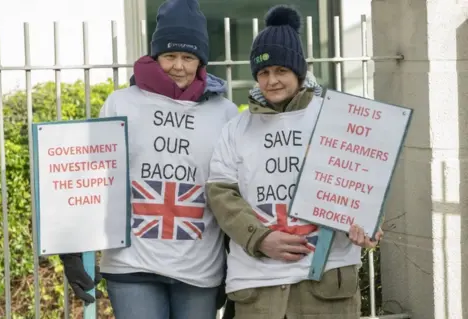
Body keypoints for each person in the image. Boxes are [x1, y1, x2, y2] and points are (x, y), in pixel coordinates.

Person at [59, 0, 238, 318]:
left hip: (199, 268)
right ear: (155, 57)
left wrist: (236, 264)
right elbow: (92, 175)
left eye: (188, 57)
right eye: (170, 56)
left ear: (201, 60)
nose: (179, 66)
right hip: (131, 264)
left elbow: (233, 187)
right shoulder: (121, 104)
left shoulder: (223, 111)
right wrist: (72, 246)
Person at [206, 5, 383, 319]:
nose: (271, 80)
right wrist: (260, 238)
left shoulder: (337, 117)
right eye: (263, 72)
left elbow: (362, 182)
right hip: (257, 287)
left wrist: (368, 222)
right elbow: (221, 194)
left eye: (281, 71)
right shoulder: (236, 128)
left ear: (299, 71)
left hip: (326, 283)